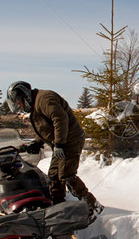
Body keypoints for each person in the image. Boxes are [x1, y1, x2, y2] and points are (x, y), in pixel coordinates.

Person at [6, 81, 103, 214]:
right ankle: (59, 206)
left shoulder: (44, 99)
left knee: (66, 175)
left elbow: (60, 119)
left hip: (70, 140)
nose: (21, 107)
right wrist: (37, 142)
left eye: (20, 103)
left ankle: (93, 206)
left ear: (26, 96)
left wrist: (59, 144)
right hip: (62, 142)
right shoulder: (36, 104)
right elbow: (47, 128)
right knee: (53, 175)